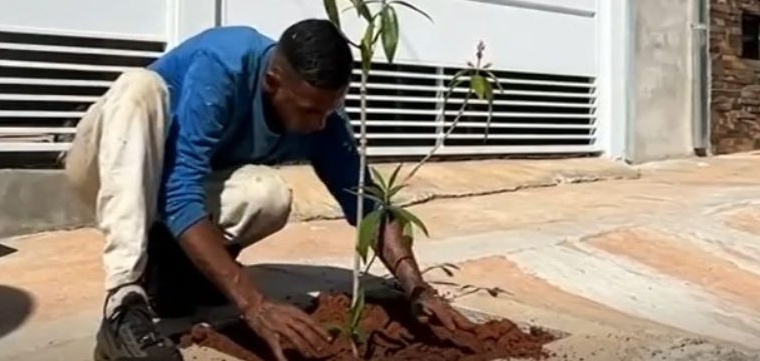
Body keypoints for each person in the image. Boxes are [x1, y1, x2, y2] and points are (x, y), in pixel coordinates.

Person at [63, 19, 472, 361]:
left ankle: (170, 278)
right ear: (273, 82)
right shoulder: (224, 66)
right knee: (140, 86)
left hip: (171, 190)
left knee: (267, 194)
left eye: (329, 109)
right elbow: (178, 190)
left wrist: (416, 286)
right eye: (310, 110)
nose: (318, 123)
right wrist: (253, 304)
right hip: (110, 164)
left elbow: (366, 199)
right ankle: (122, 304)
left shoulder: (321, 114)